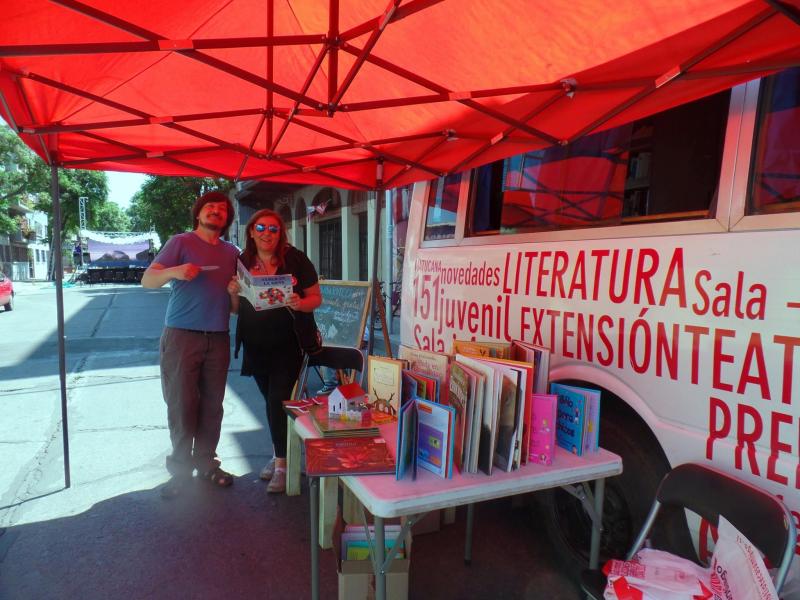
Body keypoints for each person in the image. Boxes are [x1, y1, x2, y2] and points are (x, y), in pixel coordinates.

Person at [141, 191, 240, 499]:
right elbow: (148, 280)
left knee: (213, 405)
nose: (216, 211)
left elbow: (234, 307)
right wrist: (175, 271)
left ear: (227, 219)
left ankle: (207, 463)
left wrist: (235, 292)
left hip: (219, 336)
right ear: (198, 213)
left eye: (222, 209)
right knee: (182, 404)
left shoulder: (232, 253)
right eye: (210, 207)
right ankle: (181, 471)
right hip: (181, 336)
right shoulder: (180, 242)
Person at [228, 209, 321, 493]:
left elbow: (316, 298)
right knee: (271, 402)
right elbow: (235, 311)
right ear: (251, 231)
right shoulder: (242, 261)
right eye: (261, 228)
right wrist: (232, 292)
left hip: (288, 343)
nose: (267, 233)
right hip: (255, 345)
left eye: (273, 229)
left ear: (281, 233)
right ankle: (279, 454)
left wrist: (298, 303)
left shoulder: (295, 258)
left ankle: (282, 466)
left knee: (278, 400)